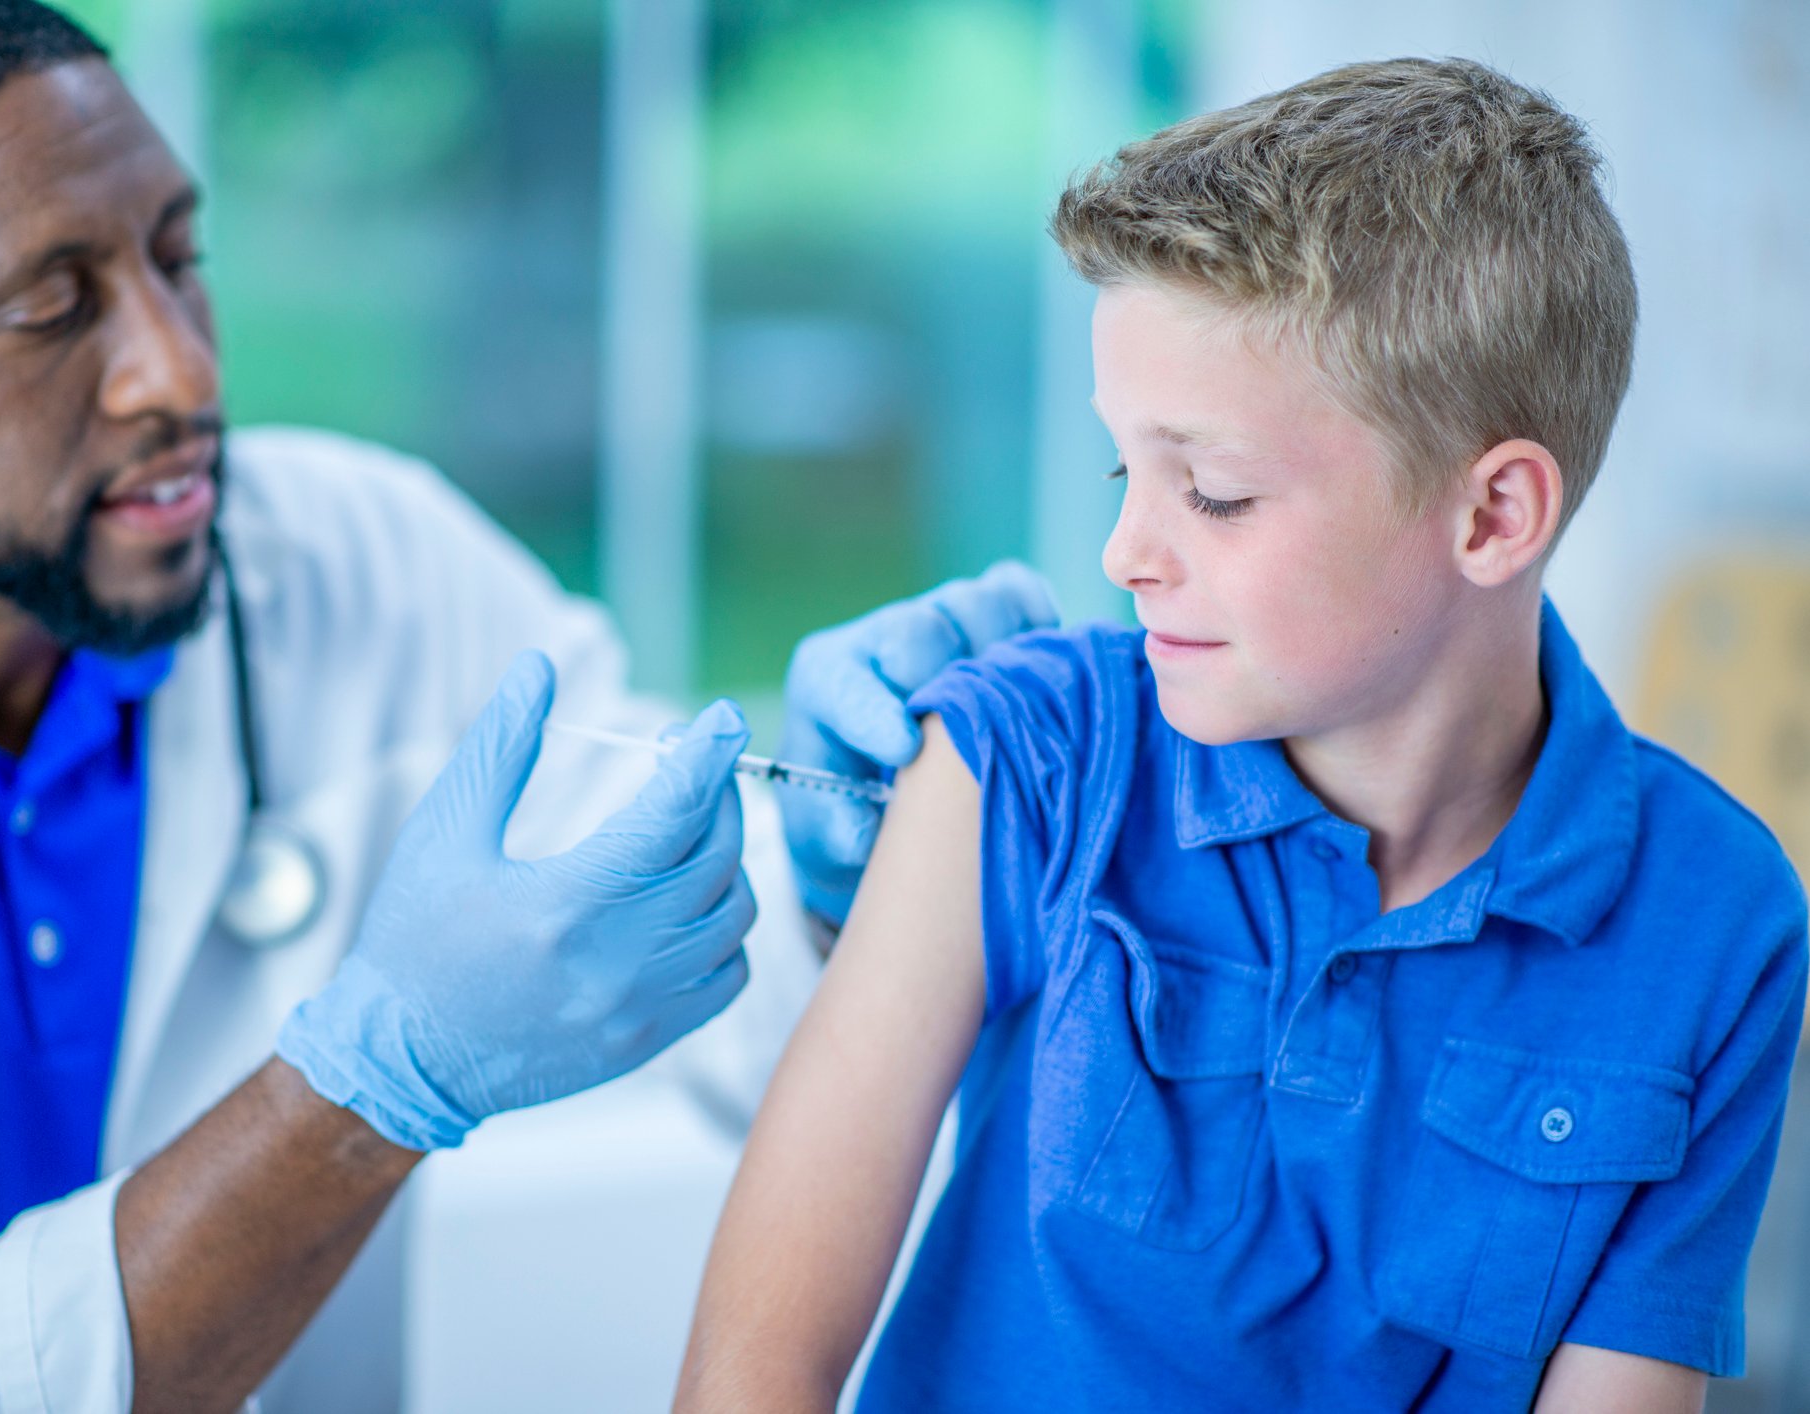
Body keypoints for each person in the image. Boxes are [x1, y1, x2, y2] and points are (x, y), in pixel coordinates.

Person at [0, 2, 1059, 1409]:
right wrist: (362, 1089)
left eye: (180, 256)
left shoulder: (361, 565)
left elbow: (691, 955)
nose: (182, 370)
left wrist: (842, 887)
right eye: (52, 308)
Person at [674, 58, 1810, 1414]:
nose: (1124, 550)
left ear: (1496, 516)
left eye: (1210, 491)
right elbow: (751, 1378)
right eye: (1123, 467)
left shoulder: (1716, 925)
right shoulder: (1026, 764)